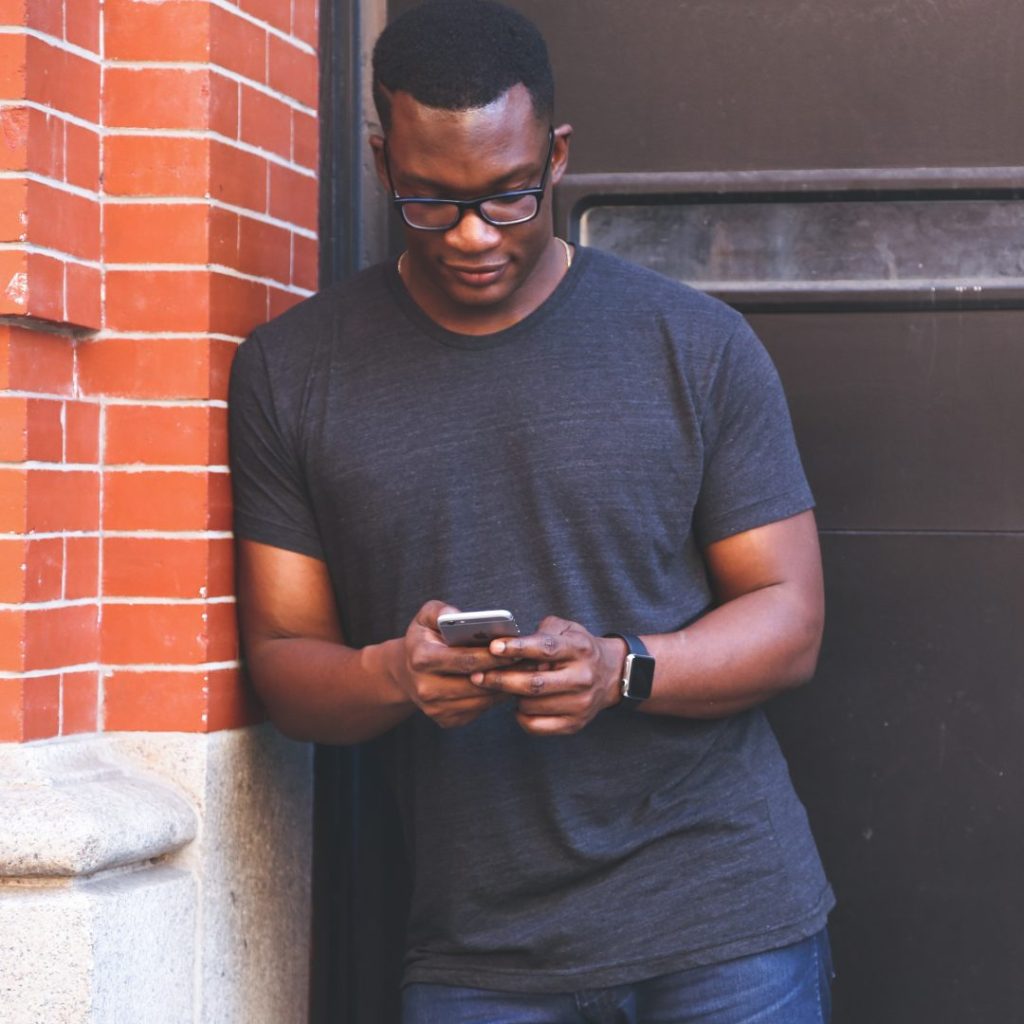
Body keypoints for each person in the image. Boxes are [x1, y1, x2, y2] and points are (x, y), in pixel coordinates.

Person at [228, 1, 835, 1020]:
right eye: (429, 200)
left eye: (506, 197)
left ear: (556, 156)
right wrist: (393, 674)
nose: (471, 233)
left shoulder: (693, 344)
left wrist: (619, 668)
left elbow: (790, 619)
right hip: (481, 954)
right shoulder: (292, 372)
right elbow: (287, 664)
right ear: (381, 162)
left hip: (725, 921)